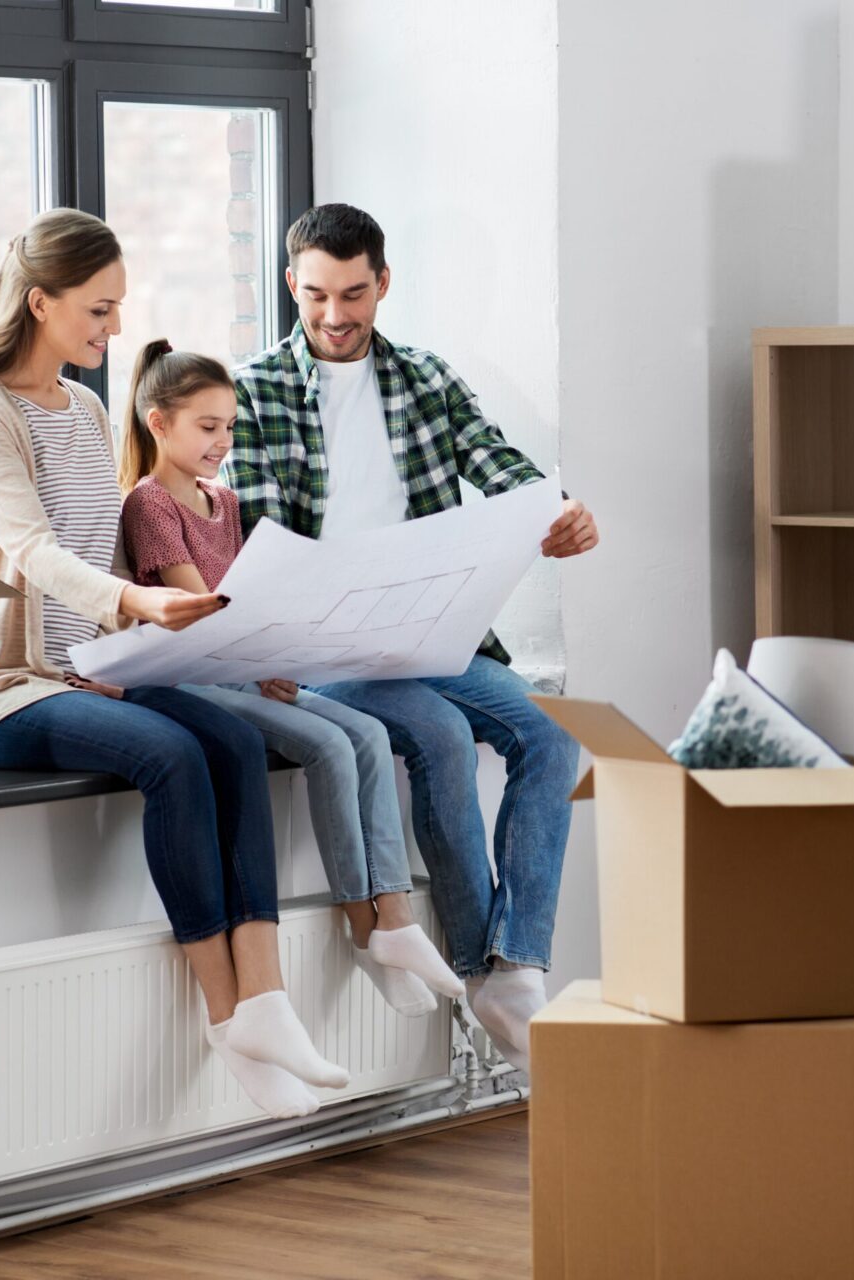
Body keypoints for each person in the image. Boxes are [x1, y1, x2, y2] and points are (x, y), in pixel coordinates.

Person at [0, 207, 347, 1120]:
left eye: (116, 311)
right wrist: (137, 605)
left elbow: (98, 551)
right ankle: (226, 1015)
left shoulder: (84, 406)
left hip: (90, 663)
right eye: (98, 312)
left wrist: (150, 637)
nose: (113, 332)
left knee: (227, 740)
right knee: (172, 756)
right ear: (41, 302)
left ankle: (267, 999)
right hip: (5, 689)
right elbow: (31, 550)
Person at [224, 203, 601, 1073]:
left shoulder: (426, 377)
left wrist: (559, 509)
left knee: (552, 733)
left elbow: (496, 461)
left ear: (382, 283)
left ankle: (519, 963)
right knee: (435, 734)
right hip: (326, 647)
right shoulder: (254, 391)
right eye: (316, 294)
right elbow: (259, 541)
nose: (334, 315)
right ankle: (477, 966)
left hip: (434, 633)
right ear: (292, 285)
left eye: (354, 293)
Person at [114, 340, 466, 1019]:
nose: (223, 442)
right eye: (208, 427)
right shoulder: (150, 505)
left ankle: (392, 914)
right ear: (159, 423)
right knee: (331, 746)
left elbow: (251, 599)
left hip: (248, 669)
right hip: (198, 684)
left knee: (364, 730)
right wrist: (260, 649)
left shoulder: (224, 500)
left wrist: (278, 650)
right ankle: (366, 932)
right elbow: (203, 618)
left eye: (230, 427)